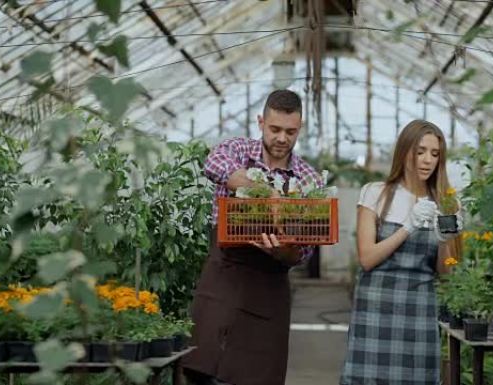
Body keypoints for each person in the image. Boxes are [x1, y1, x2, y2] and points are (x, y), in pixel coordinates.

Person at [182, 89, 322, 385]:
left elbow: (303, 253)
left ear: (300, 129)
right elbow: (214, 165)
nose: (281, 138)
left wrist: (283, 250)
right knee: (204, 368)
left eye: (290, 131)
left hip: (268, 287)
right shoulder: (236, 150)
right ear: (261, 122)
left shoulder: (309, 180)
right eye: (274, 129)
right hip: (224, 278)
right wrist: (266, 194)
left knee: (257, 374)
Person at [340, 119, 463, 385]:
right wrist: (409, 226)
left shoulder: (444, 203)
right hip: (375, 309)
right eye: (419, 151)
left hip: (419, 309)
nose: (427, 160)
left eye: (434, 154)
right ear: (404, 151)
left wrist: (444, 239)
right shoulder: (376, 194)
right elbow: (367, 258)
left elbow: (447, 272)